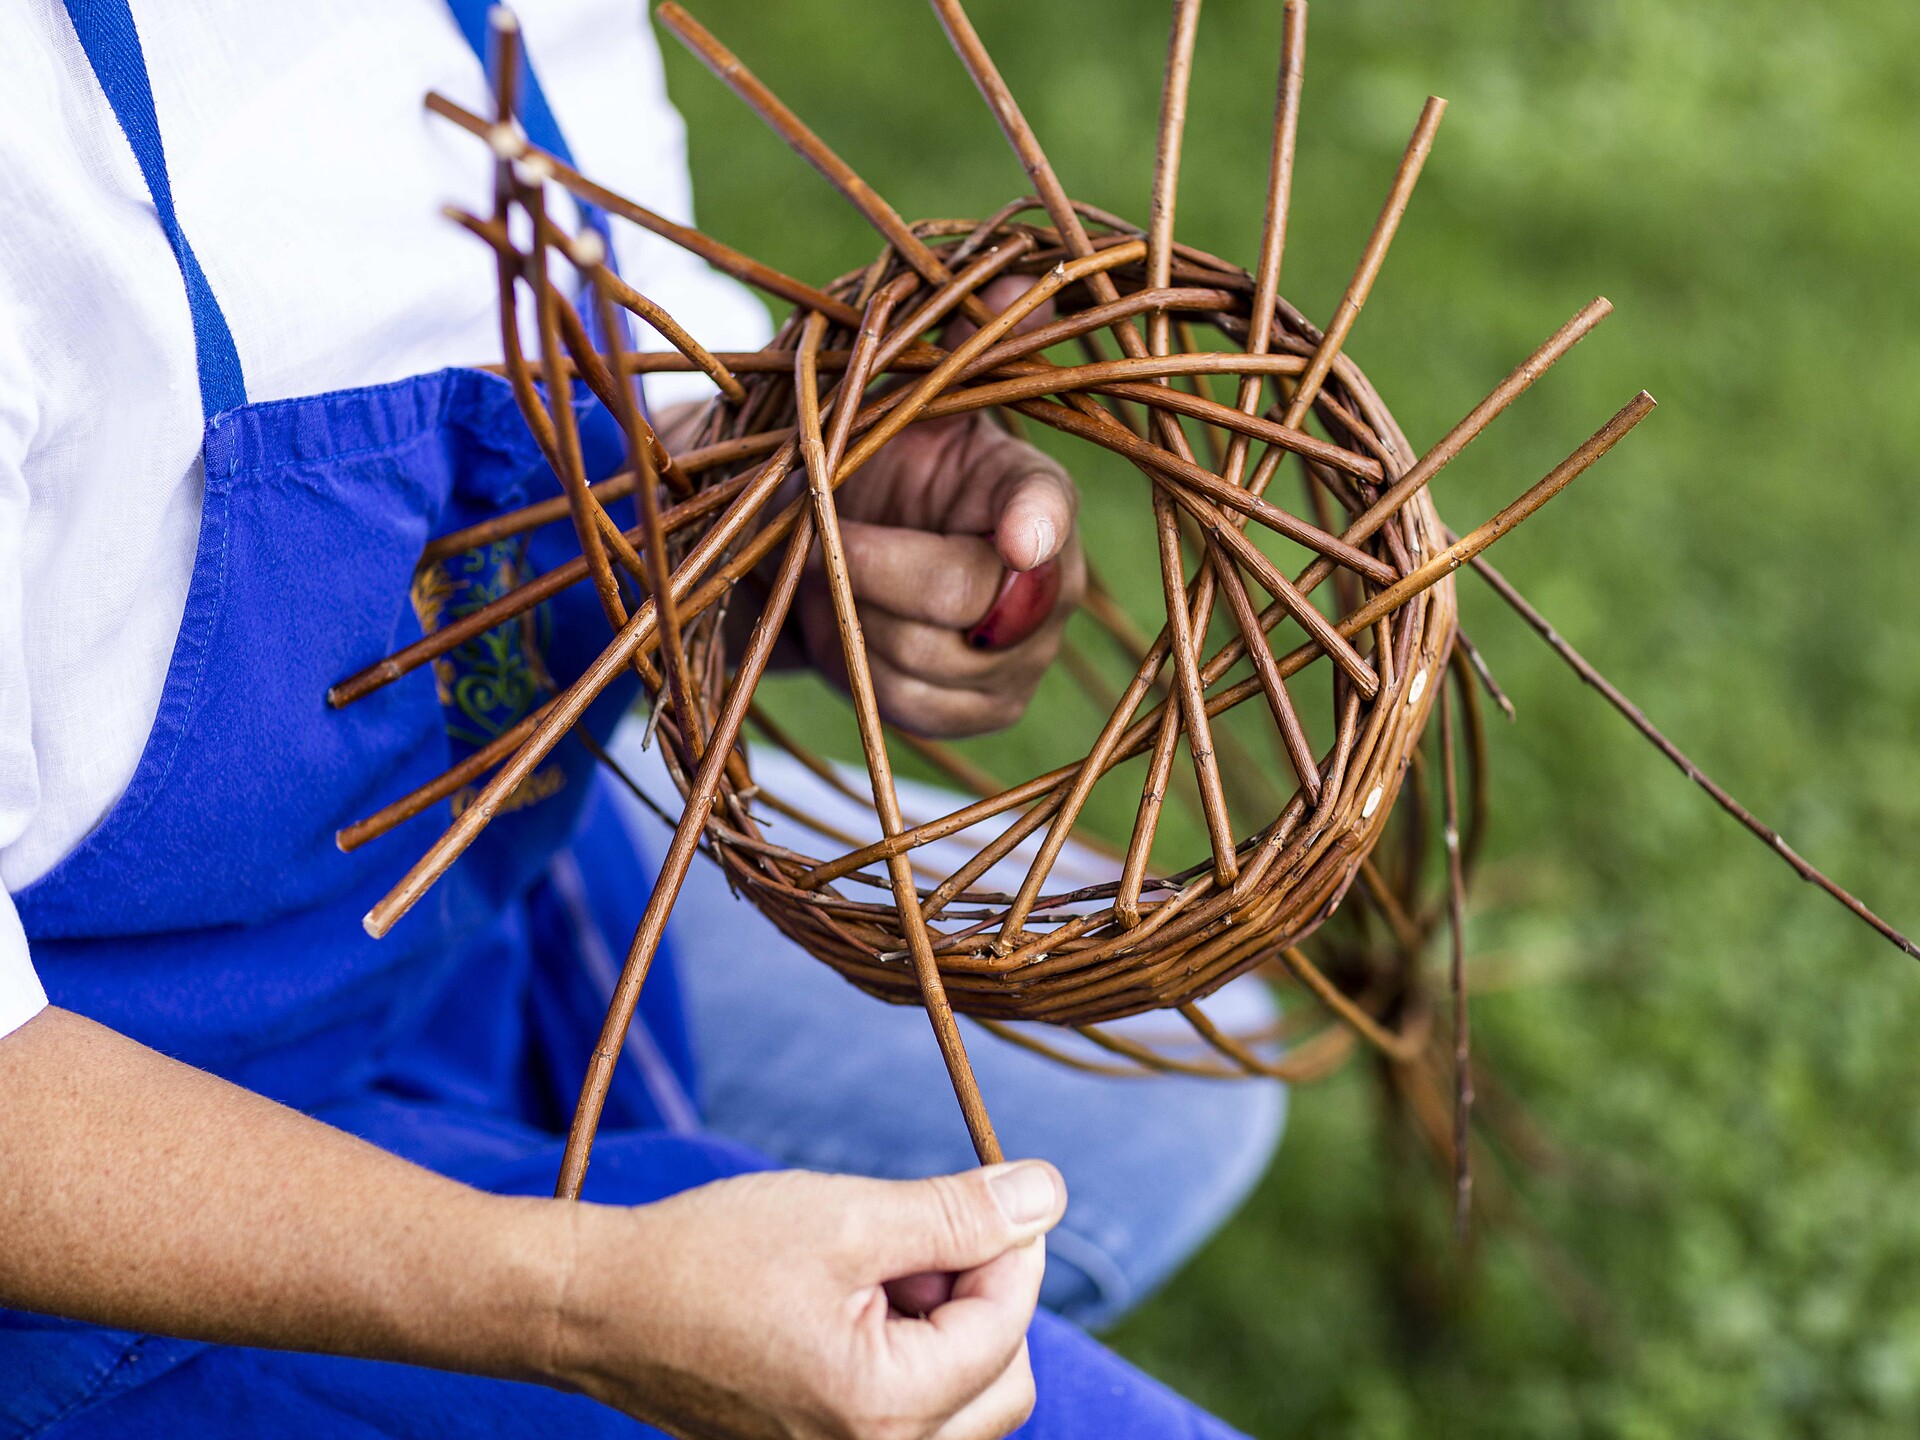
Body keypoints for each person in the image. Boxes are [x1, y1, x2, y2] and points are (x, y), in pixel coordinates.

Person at [0, 2, 1282, 1435]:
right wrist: (580, 1300)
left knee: (1169, 1095)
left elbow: (638, 391)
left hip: (473, 923)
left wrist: (770, 523)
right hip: (90, 1198)